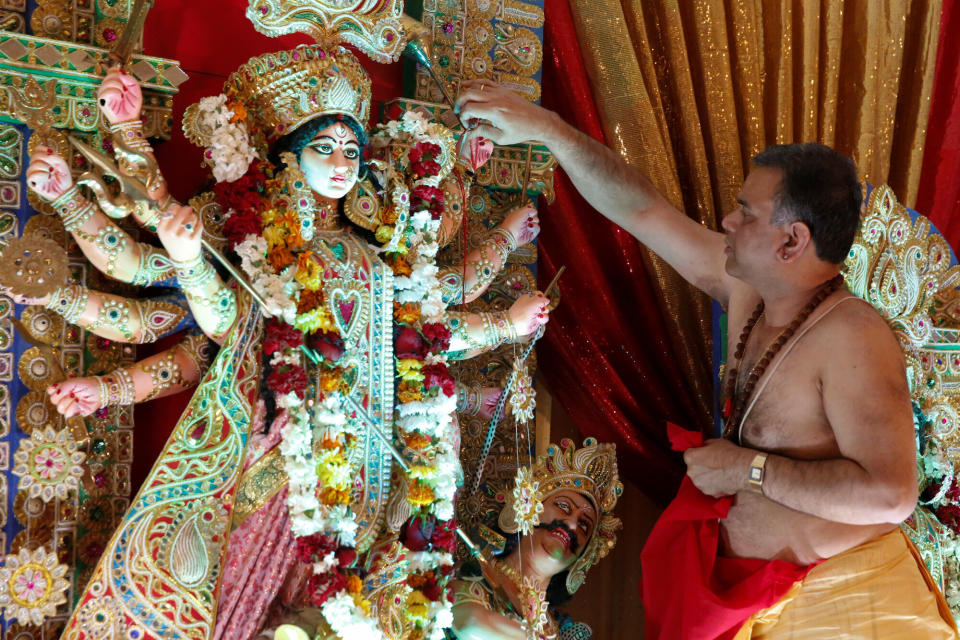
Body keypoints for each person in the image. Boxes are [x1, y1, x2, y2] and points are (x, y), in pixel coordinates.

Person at [46, 46, 550, 640]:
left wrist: (507, 325)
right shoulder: (264, 250)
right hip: (287, 457)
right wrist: (167, 241)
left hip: (380, 461)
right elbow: (213, 322)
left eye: (352, 151)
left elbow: (430, 336)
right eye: (324, 146)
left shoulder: (380, 259)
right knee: (252, 606)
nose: (341, 163)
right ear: (288, 155)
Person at [454, 81, 958, 637]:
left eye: (746, 212)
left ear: (791, 241)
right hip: (747, 603)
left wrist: (747, 470)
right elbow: (641, 207)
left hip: (838, 606)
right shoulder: (746, 292)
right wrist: (550, 131)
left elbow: (891, 495)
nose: (728, 222)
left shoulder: (853, 336)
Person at [450, 438, 621, 640]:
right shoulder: (480, 575)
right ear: (527, 508)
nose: (572, 525)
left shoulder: (558, 628)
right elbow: (471, 624)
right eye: (564, 506)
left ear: (582, 557)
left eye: (584, 525)